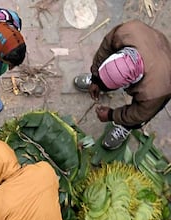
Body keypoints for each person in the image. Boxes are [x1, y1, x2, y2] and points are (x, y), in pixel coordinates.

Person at [73, 20, 171, 150]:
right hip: (150, 40)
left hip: (164, 71)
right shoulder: (125, 32)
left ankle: (125, 127)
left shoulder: (155, 92)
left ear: (128, 85)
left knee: (137, 119)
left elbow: (138, 114)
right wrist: (96, 78)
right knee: (104, 76)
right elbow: (105, 49)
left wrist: (111, 115)